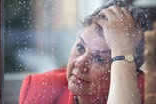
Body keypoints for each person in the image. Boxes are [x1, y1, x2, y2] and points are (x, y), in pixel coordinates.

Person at [19, 1, 150, 104]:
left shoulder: (148, 93)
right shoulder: (39, 88)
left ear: (131, 72)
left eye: (99, 59)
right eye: (81, 47)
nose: (80, 63)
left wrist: (122, 51)